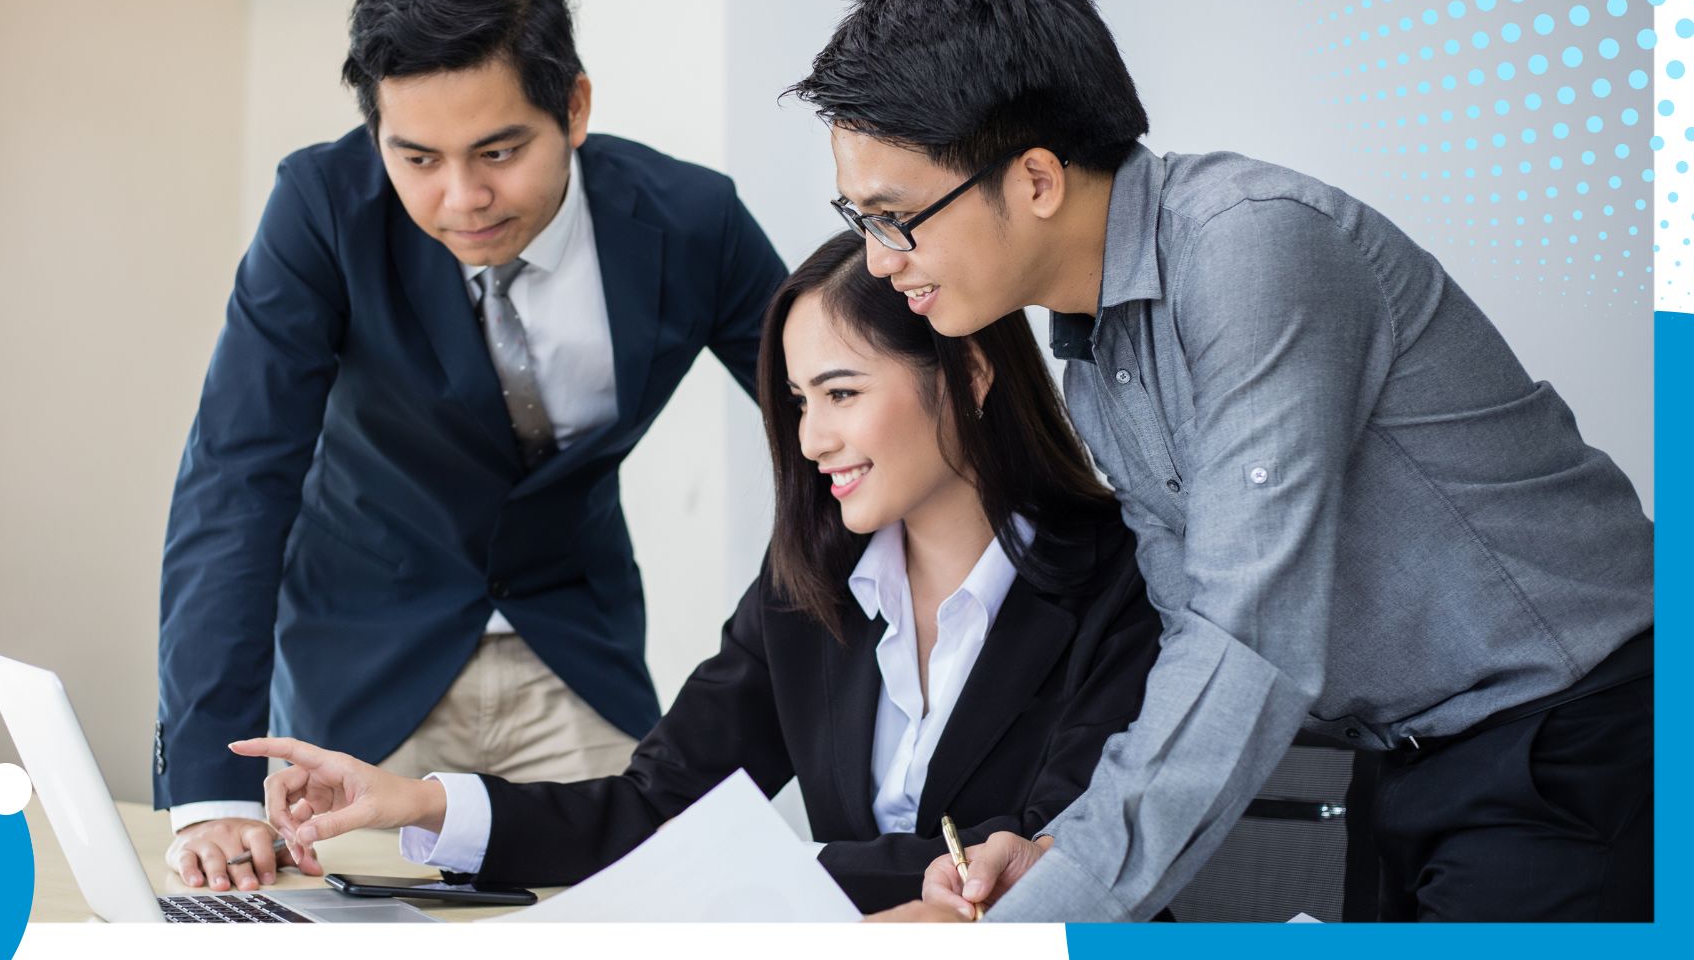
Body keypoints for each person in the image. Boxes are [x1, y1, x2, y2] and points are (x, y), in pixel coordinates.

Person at [791, 0, 1654, 922]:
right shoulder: (1098, 361)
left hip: (1578, 738)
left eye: (895, 216)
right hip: (1415, 765)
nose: (878, 257)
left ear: (1035, 179)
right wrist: (1057, 849)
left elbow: (1249, 645)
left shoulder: (1252, 251)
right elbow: (1193, 639)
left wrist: (1031, 928)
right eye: (857, 216)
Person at [227, 233, 1162, 914]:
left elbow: (1045, 862)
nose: (812, 439)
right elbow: (657, 808)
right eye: (798, 402)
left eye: (841, 393)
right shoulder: (812, 581)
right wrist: (413, 801)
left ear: (969, 373)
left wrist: (816, 869)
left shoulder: (1117, 579)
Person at [155, 0, 788, 893]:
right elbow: (239, 477)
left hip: (575, 656)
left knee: (654, 903)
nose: (463, 199)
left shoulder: (691, 221)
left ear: (573, 107)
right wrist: (212, 787)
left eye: (499, 151)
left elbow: (832, 419)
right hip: (361, 666)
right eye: (418, 158)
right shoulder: (322, 208)